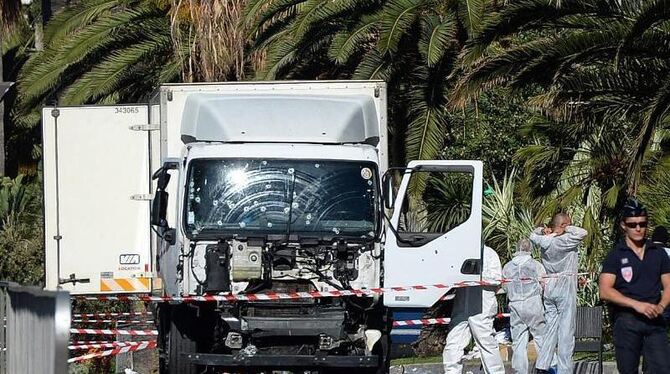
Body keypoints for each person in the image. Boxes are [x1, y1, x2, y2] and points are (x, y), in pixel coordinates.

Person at [599, 199, 670, 374]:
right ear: (624, 225)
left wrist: (661, 306)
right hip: (627, 321)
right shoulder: (616, 255)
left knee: (663, 368)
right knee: (628, 370)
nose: (638, 228)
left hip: (654, 321)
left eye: (642, 224)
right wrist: (636, 305)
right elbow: (605, 290)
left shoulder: (658, 253)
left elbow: (669, 285)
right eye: (633, 225)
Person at [530, 213, 587, 374]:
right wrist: (566, 228)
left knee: (550, 328)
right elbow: (583, 232)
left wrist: (543, 230)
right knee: (566, 332)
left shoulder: (544, 241)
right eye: (568, 224)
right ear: (564, 225)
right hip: (565, 287)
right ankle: (564, 370)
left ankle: (542, 364)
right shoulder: (564, 241)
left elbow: (532, 234)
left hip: (550, 287)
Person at [443, 246, 505, 374]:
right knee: (453, 342)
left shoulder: (488, 253)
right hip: (463, 302)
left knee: (486, 342)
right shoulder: (461, 252)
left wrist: (476, 277)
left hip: (481, 303)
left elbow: (496, 279)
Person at [502, 239, 547, 374]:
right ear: (530, 249)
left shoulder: (508, 267)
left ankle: (520, 371)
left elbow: (504, 286)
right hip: (533, 304)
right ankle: (548, 367)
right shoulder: (536, 265)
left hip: (516, 306)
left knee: (519, 341)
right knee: (541, 338)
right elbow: (544, 283)